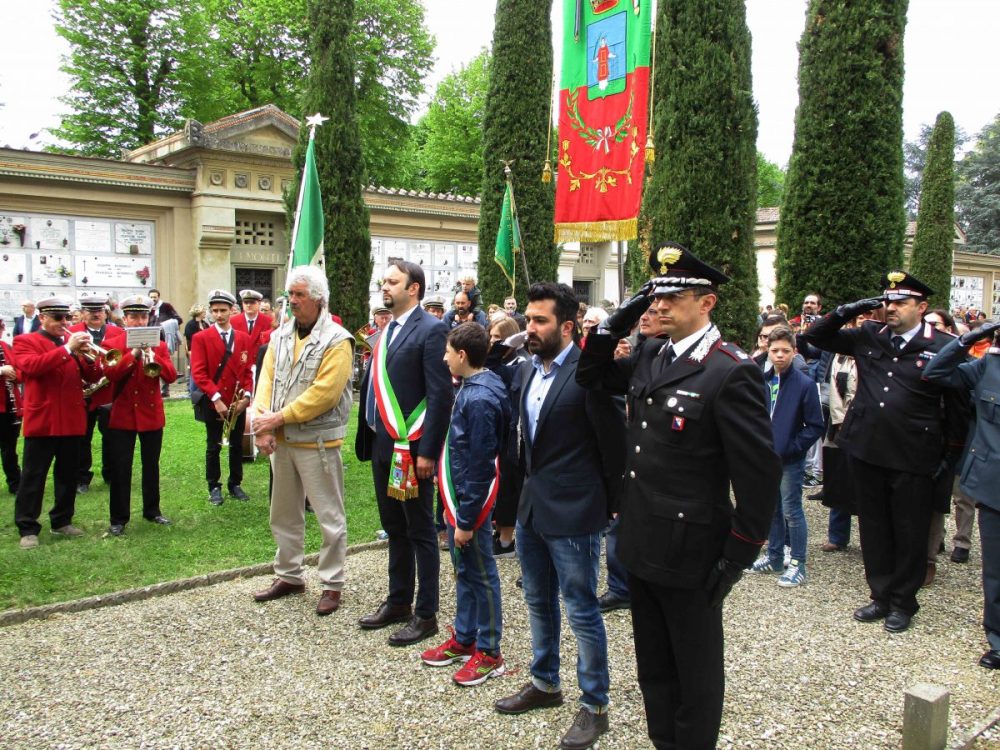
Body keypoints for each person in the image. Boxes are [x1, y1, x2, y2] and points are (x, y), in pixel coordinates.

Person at [576, 242, 781, 750]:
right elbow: (591, 375)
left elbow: (758, 478)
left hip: (693, 551)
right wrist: (618, 317)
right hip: (643, 541)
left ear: (707, 303)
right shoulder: (651, 351)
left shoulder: (730, 371)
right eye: (655, 297)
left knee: (696, 675)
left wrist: (735, 558)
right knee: (654, 670)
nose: (659, 306)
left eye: (675, 296)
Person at [493, 282, 625, 750]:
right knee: (536, 600)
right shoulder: (529, 370)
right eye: (528, 319)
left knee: (581, 607)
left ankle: (595, 705)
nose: (529, 328)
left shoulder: (588, 374)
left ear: (567, 326)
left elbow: (614, 443)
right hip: (533, 506)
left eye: (539, 320)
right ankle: (545, 682)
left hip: (576, 510)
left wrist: (610, 503)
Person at [801, 270, 969, 633]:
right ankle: (880, 595)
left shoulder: (941, 344)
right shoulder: (869, 335)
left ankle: (904, 602)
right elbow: (814, 337)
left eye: (900, 303)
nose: (890, 308)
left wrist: (951, 454)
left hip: (914, 453)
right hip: (867, 448)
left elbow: (958, 405)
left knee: (909, 531)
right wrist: (848, 310)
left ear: (921, 307)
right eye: (887, 301)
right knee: (874, 527)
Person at [356, 260, 453, 646]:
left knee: (419, 530)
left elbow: (441, 393)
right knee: (394, 526)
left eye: (393, 282)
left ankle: (425, 612)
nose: (385, 287)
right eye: (383, 281)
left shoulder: (431, 330)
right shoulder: (387, 331)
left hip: (412, 451)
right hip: (386, 447)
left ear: (414, 288)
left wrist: (428, 450)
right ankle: (398, 601)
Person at [251, 266, 354, 616]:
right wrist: (262, 424)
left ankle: (332, 582)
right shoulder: (280, 335)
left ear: (318, 299)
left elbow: (324, 394)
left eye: (298, 295)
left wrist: (277, 419)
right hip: (281, 441)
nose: (291, 301)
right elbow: (265, 379)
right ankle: (289, 574)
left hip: (317, 442)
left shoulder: (338, 340)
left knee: (328, 515)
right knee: (282, 513)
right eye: (289, 294)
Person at [420, 322, 511, 686]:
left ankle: (490, 651)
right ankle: (465, 636)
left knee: (482, 572)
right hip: (461, 501)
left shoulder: (481, 398)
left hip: (472, 504)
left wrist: (467, 519)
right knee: (465, 569)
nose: (443, 358)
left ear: (462, 355)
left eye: (447, 352)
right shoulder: (473, 388)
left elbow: (481, 463)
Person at [924, 318, 1000, 669]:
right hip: (993, 483)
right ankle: (998, 640)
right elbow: (937, 372)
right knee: (995, 570)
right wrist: (969, 338)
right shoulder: (988, 366)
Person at [14, 297, 101, 549]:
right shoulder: (25, 341)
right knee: (33, 475)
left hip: (72, 421)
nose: (63, 323)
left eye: (65, 318)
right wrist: (66, 350)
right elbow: (32, 368)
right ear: (42, 318)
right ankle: (27, 527)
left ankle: (62, 520)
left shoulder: (71, 345)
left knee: (67, 475)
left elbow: (93, 375)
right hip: (44, 420)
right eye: (57, 319)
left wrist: (90, 357)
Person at [749, 327, 824, 587]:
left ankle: (798, 563)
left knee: (792, 510)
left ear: (795, 352)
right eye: (774, 351)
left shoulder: (804, 384)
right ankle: (774, 555)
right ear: (766, 351)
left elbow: (815, 425)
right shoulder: (763, 379)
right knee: (772, 509)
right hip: (765, 458)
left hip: (789, 460)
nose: (779, 356)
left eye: (785, 351)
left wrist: (792, 447)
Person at [103, 295, 176, 535]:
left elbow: (171, 376)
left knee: (151, 466)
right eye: (133, 317)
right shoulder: (112, 341)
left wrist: (153, 357)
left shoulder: (160, 344)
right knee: (121, 467)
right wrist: (133, 353)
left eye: (143, 316)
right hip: (123, 414)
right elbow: (111, 375)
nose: (139, 321)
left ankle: (152, 510)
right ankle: (118, 518)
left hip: (150, 413)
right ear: (125, 319)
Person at [189, 290, 254, 506]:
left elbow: (248, 371)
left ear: (232, 310)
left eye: (223, 310)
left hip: (237, 401)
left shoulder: (244, 338)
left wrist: (245, 397)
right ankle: (213, 486)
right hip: (213, 401)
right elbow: (199, 373)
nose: (218, 315)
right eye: (215, 311)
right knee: (213, 445)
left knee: (237, 444)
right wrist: (216, 398)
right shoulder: (201, 338)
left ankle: (235, 483)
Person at [924, 309, 977, 566]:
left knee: (961, 493)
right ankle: (937, 541)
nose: (931, 328)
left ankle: (962, 542)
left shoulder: (965, 362)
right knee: (933, 496)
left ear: (948, 327)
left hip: (957, 436)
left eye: (936, 324)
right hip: (929, 435)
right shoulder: (922, 354)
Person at [69, 295, 127, 494]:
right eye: (90, 311)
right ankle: (81, 478)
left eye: (99, 311)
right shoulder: (72, 332)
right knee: (82, 437)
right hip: (81, 393)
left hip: (108, 392)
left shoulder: (117, 332)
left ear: (105, 312)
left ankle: (111, 474)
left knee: (111, 436)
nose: (95, 314)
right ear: (83, 313)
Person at [0, 317, 22, 494]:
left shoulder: (5, 346)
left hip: (8, 405)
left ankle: (15, 483)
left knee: (10, 448)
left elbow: (18, 367)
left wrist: (16, 374)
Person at [231, 289, 274, 368]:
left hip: (260, 365)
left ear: (259, 303)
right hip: (239, 365)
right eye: (246, 302)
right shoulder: (233, 321)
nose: (248, 305)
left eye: (252, 302)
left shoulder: (269, 322)